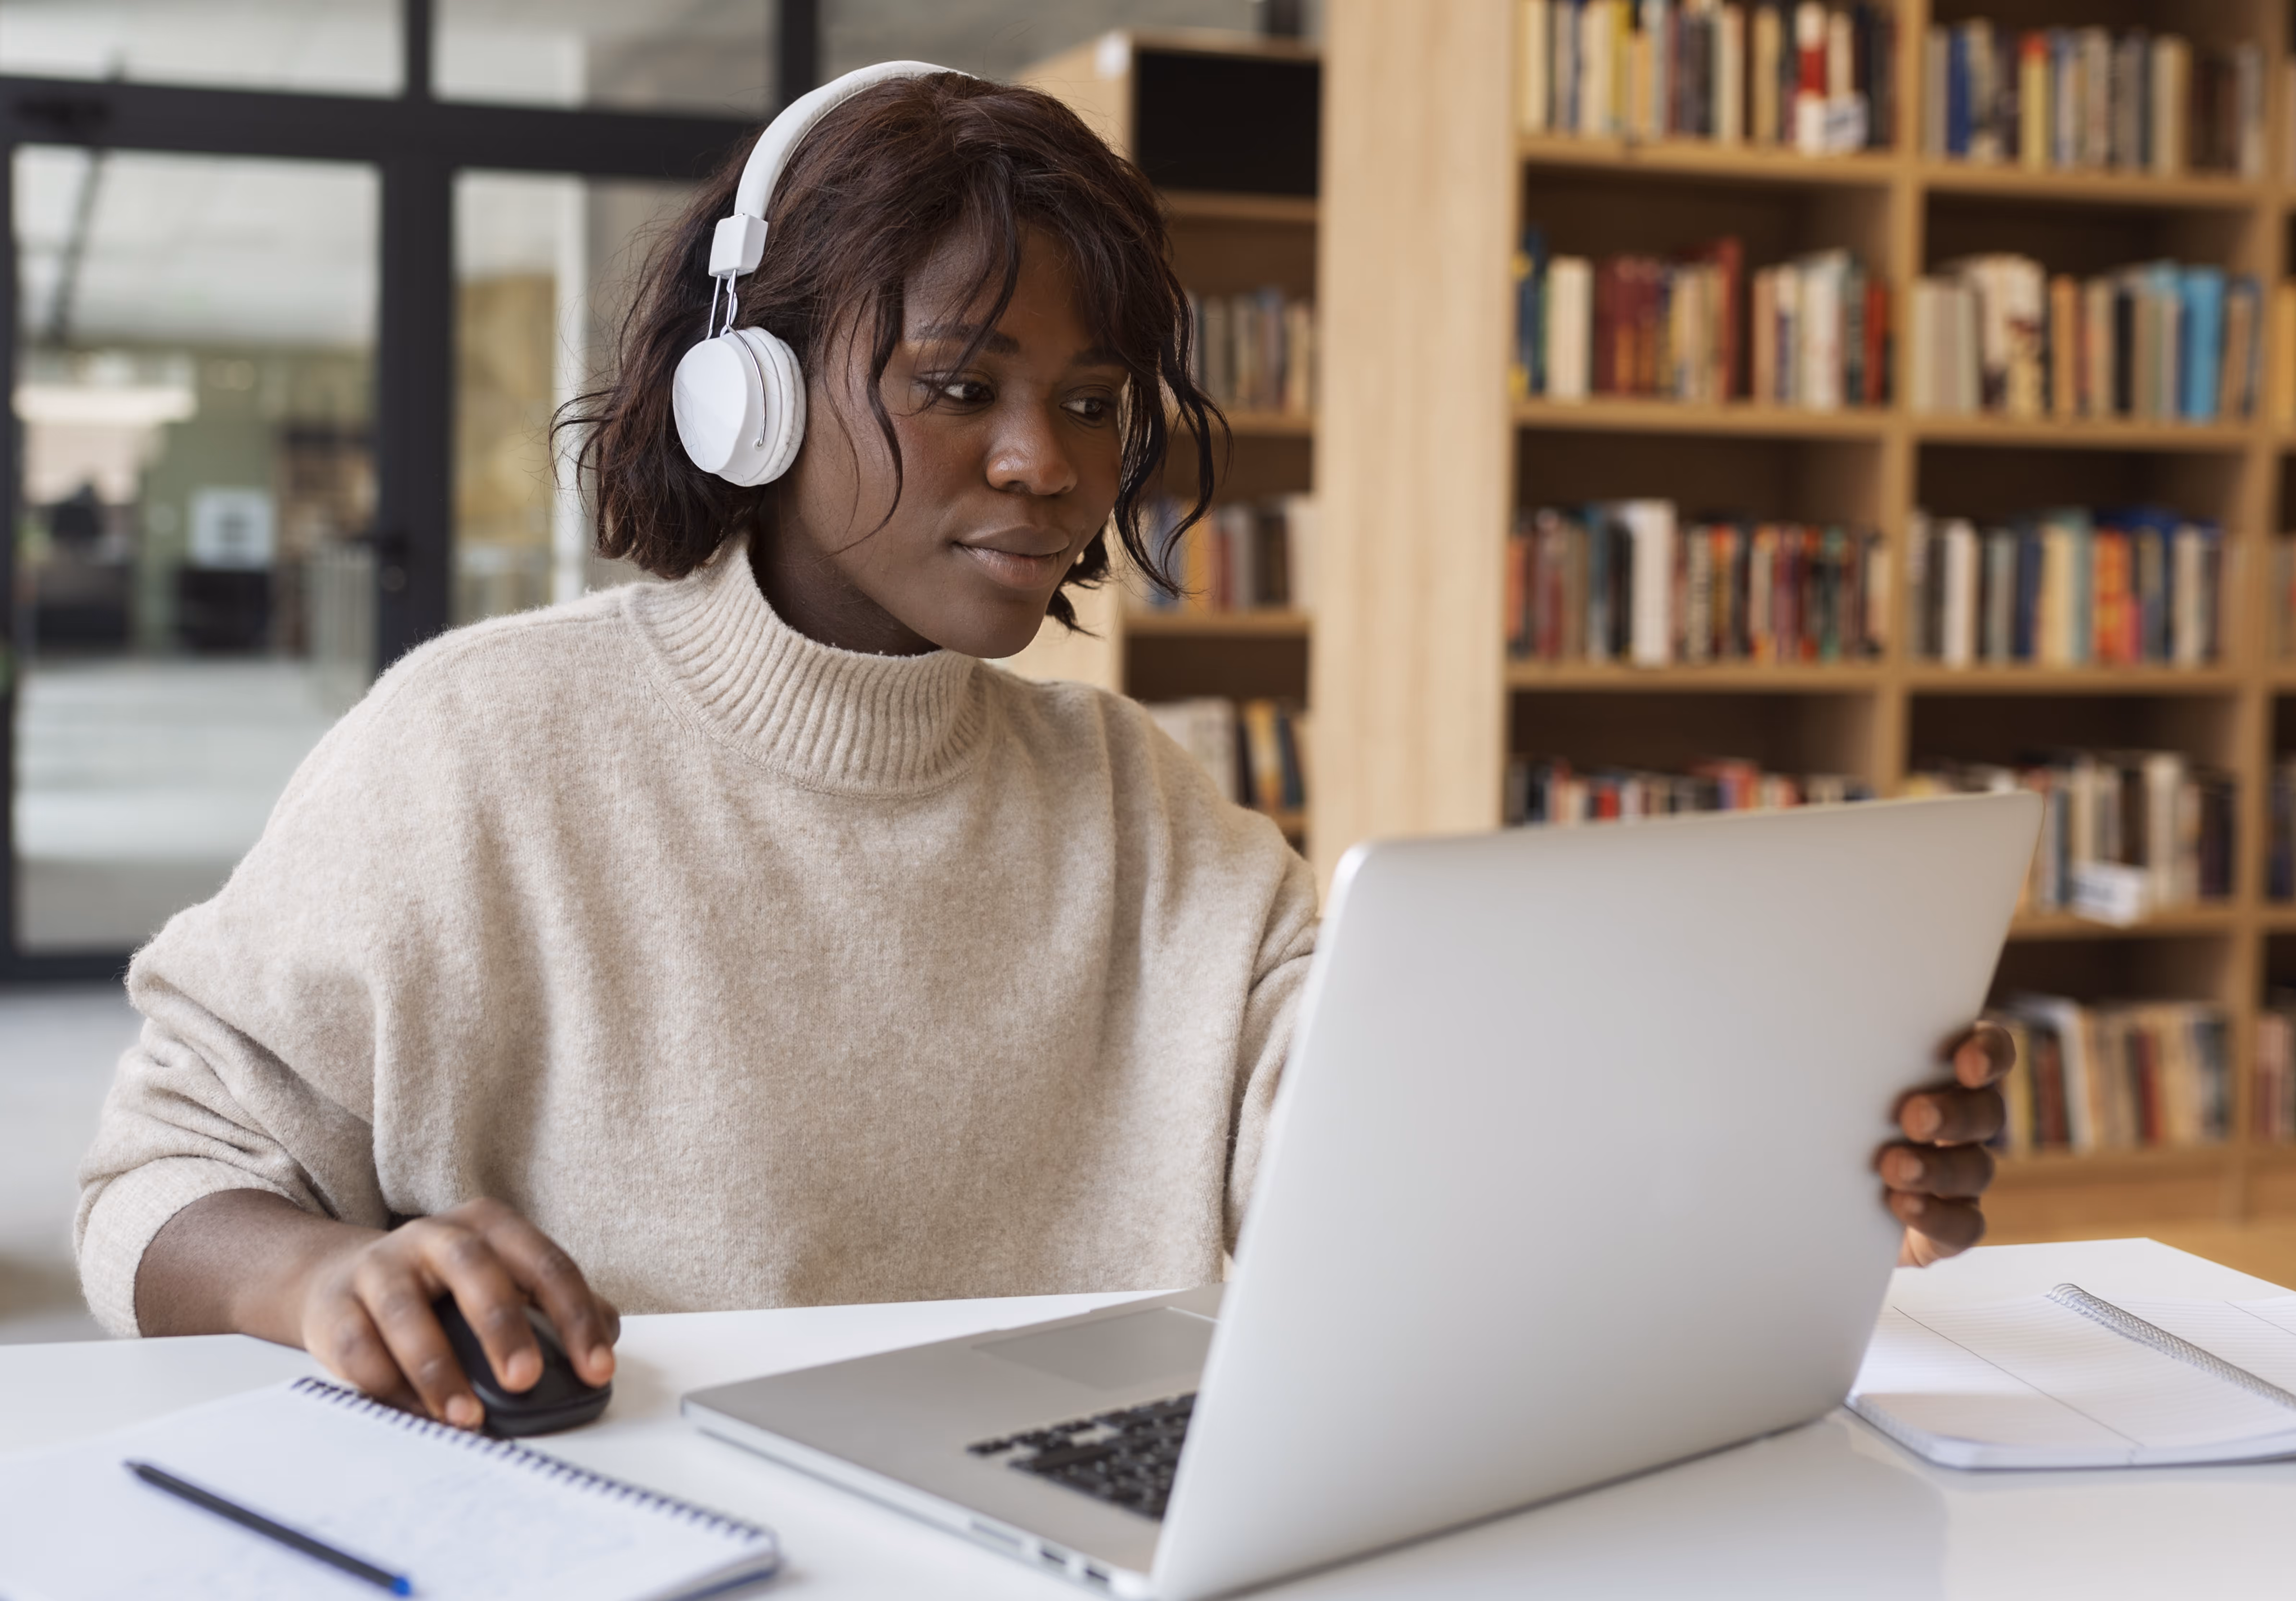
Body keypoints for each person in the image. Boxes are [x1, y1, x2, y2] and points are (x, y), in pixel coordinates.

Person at [76, 68, 2011, 1433]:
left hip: (1087, 1525)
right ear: (750, 397)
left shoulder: (1143, 802)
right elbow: (162, 1172)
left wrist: (1790, 1161)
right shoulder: (481, 746)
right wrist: (310, 1281)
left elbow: (1376, 1162)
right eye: (960, 384)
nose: (1048, 462)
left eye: (1093, 403)